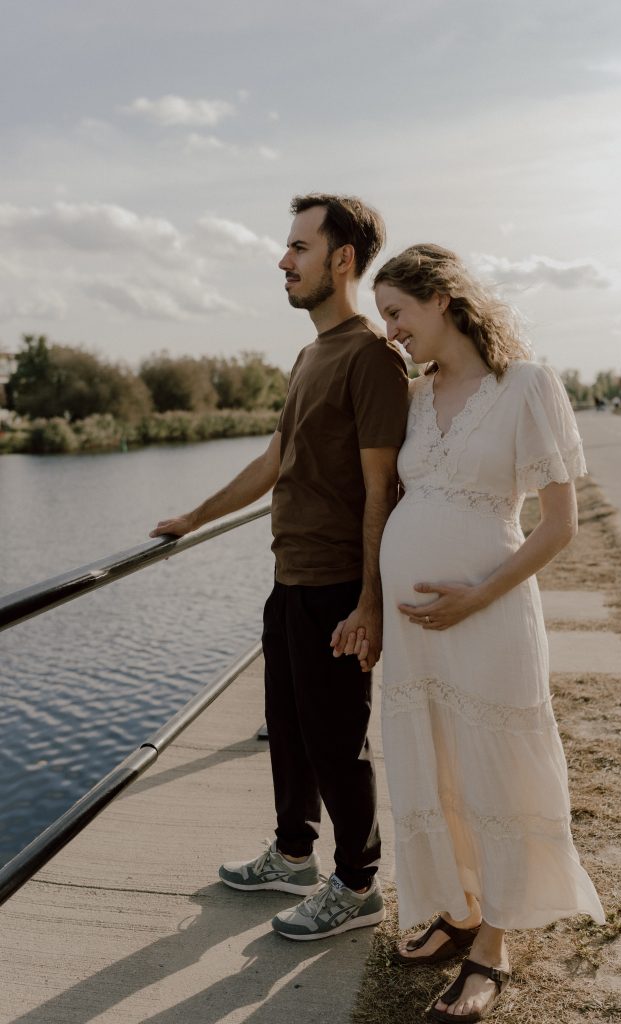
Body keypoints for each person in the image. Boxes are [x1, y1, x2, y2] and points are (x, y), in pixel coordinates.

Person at [151, 194, 408, 941]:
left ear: (342, 259)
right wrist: (194, 516)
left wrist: (368, 603)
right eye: (286, 247)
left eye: (298, 247)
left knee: (335, 742)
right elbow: (275, 461)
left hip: (334, 585)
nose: (282, 261)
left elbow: (378, 489)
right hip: (288, 577)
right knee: (289, 732)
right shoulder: (310, 354)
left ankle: (358, 883)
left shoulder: (370, 357)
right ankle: (294, 854)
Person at [363, 243, 604, 1020]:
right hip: (415, 635)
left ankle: (491, 946)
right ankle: (459, 907)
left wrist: (474, 596)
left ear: (441, 300)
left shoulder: (525, 385)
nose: (391, 330)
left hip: (489, 615)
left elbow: (558, 526)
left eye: (396, 313)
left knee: (496, 769)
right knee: (434, 768)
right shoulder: (411, 395)